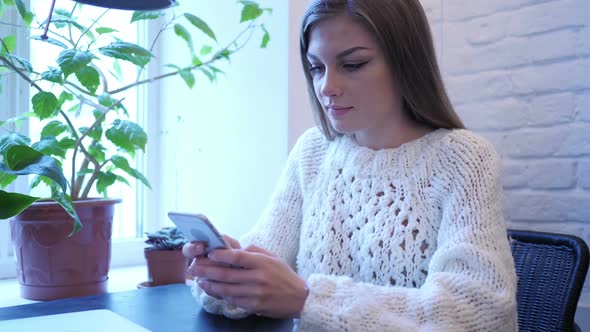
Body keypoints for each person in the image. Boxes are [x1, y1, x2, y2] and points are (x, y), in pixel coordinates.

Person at [182, 0, 518, 330]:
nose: (327, 87)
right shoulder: (312, 152)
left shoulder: (465, 159)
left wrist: (307, 299)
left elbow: (477, 313)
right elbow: (266, 251)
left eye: (353, 65)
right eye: (316, 67)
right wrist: (227, 271)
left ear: (406, 62)